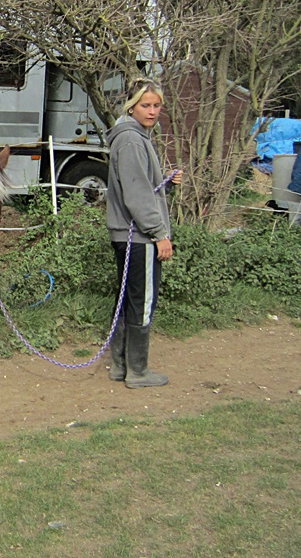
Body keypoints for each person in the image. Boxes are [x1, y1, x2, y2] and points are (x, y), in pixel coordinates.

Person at [106, 78, 182, 388]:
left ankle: (120, 367)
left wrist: (165, 183)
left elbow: (138, 185)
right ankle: (138, 372)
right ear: (131, 107)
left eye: (156, 105)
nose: (152, 111)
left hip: (127, 233)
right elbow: (137, 195)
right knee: (142, 301)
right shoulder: (132, 140)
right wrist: (159, 233)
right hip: (138, 236)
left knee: (127, 299)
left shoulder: (132, 137)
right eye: (145, 105)